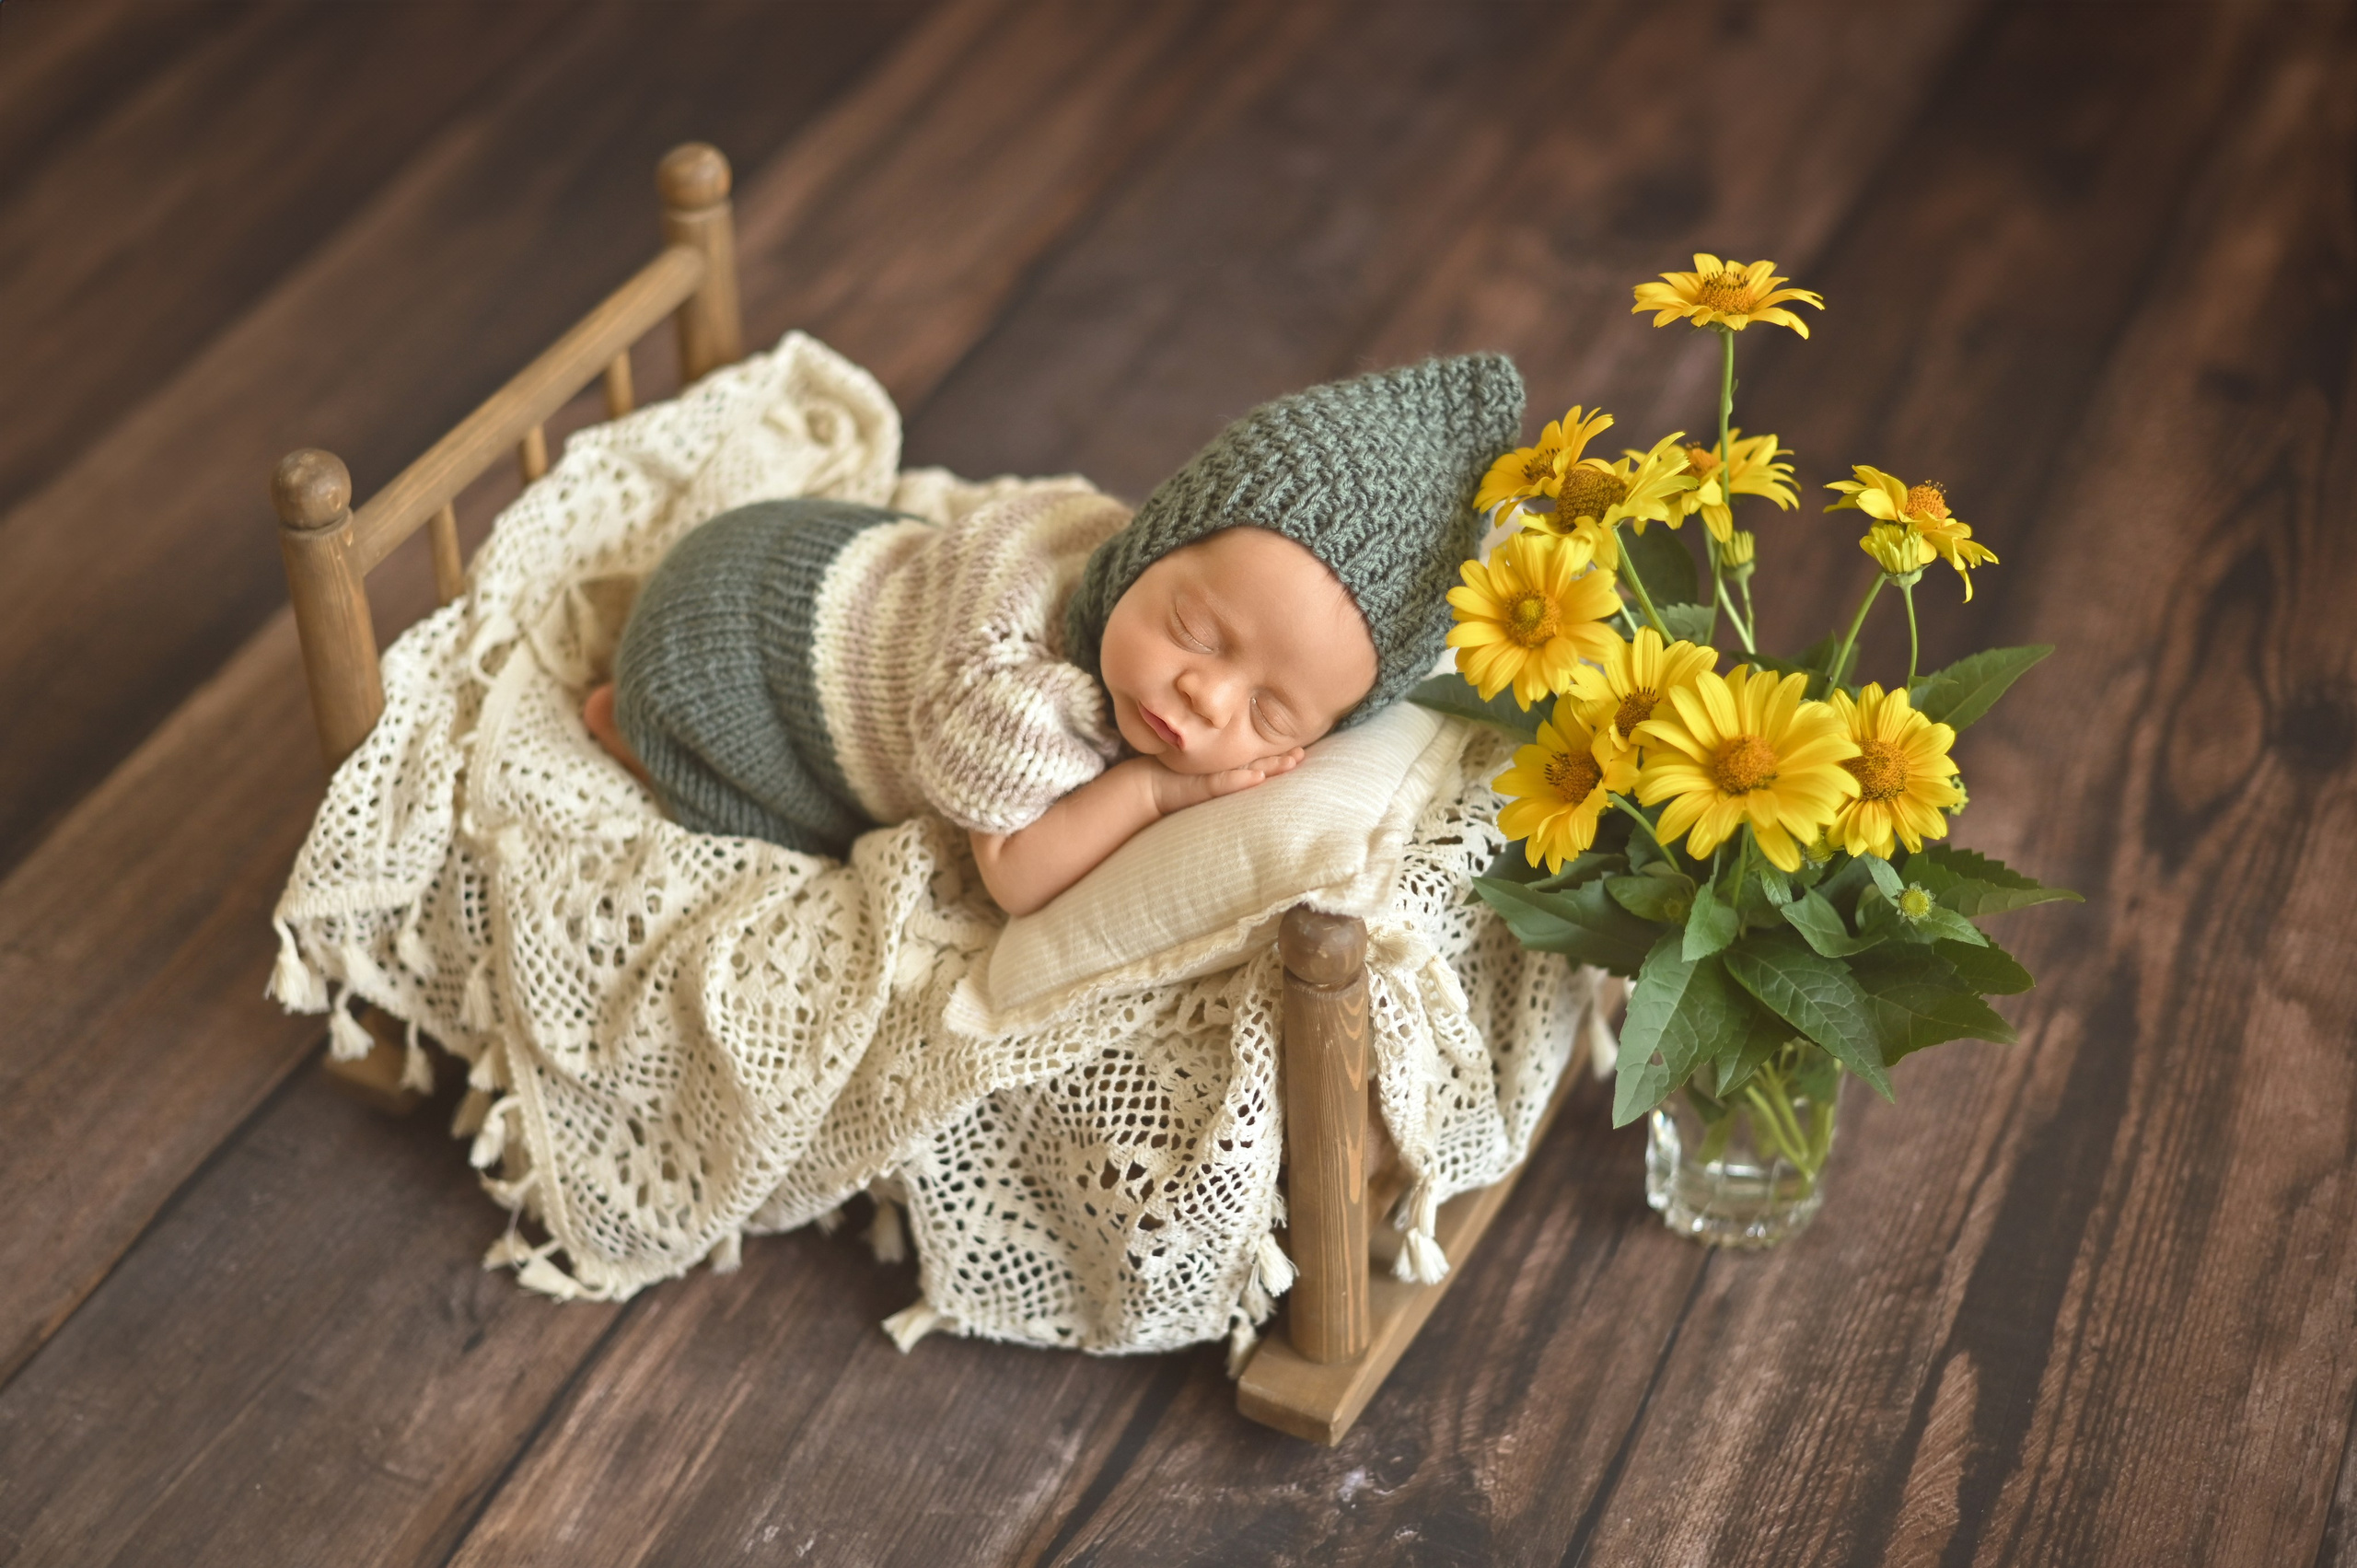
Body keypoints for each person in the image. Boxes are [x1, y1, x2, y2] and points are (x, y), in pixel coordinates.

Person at [583, 354, 1524, 915]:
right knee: (779, 831)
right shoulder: (1020, 689)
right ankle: (628, 724)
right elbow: (1014, 877)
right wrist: (1151, 789)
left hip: (804, 551)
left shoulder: (1135, 604)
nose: (1207, 694)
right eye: (1196, 631)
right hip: (728, 645)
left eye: (1271, 710)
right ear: (1149, 542)